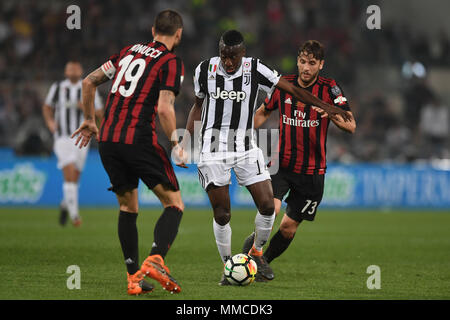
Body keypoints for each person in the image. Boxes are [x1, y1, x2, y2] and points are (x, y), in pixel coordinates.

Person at [181, 31, 351, 285]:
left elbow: (293, 90)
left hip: (246, 147)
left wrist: (327, 106)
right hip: (213, 148)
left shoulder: (256, 69)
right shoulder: (204, 70)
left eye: (233, 58)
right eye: (224, 56)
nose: (228, 62)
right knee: (223, 214)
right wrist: (185, 141)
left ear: (243, 54)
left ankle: (258, 253)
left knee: (268, 206)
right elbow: (198, 106)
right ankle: (229, 267)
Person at [71, 9, 187, 296]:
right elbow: (163, 107)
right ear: (179, 34)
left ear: (152, 30)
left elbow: (88, 81)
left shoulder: (126, 53)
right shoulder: (171, 61)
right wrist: (176, 142)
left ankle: (134, 279)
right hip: (138, 139)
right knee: (174, 203)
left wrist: (89, 119)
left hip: (108, 139)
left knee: (128, 207)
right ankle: (156, 259)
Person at [242, 40, 356, 280]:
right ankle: (254, 255)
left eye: (312, 63)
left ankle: (261, 261)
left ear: (321, 65)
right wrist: (242, 133)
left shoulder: (330, 89)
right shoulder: (284, 85)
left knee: (288, 228)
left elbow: (351, 125)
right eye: (303, 62)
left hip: (312, 173)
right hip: (281, 165)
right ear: (298, 61)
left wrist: (332, 115)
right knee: (269, 211)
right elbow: (263, 111)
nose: (306, 68)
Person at [42, 60, 103, 227]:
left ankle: (64, 205)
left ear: (81, 70)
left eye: (76, 67)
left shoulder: (89, 86)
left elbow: (99, 112)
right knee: (68, 173)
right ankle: (75, 216)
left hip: (82, 138)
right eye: (70, 67)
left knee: (75, 177)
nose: (73, 70)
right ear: (65, 71)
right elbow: (47, 107)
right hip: (62, 137)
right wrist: (50, 123)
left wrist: (84, 107)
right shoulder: (58, 87)